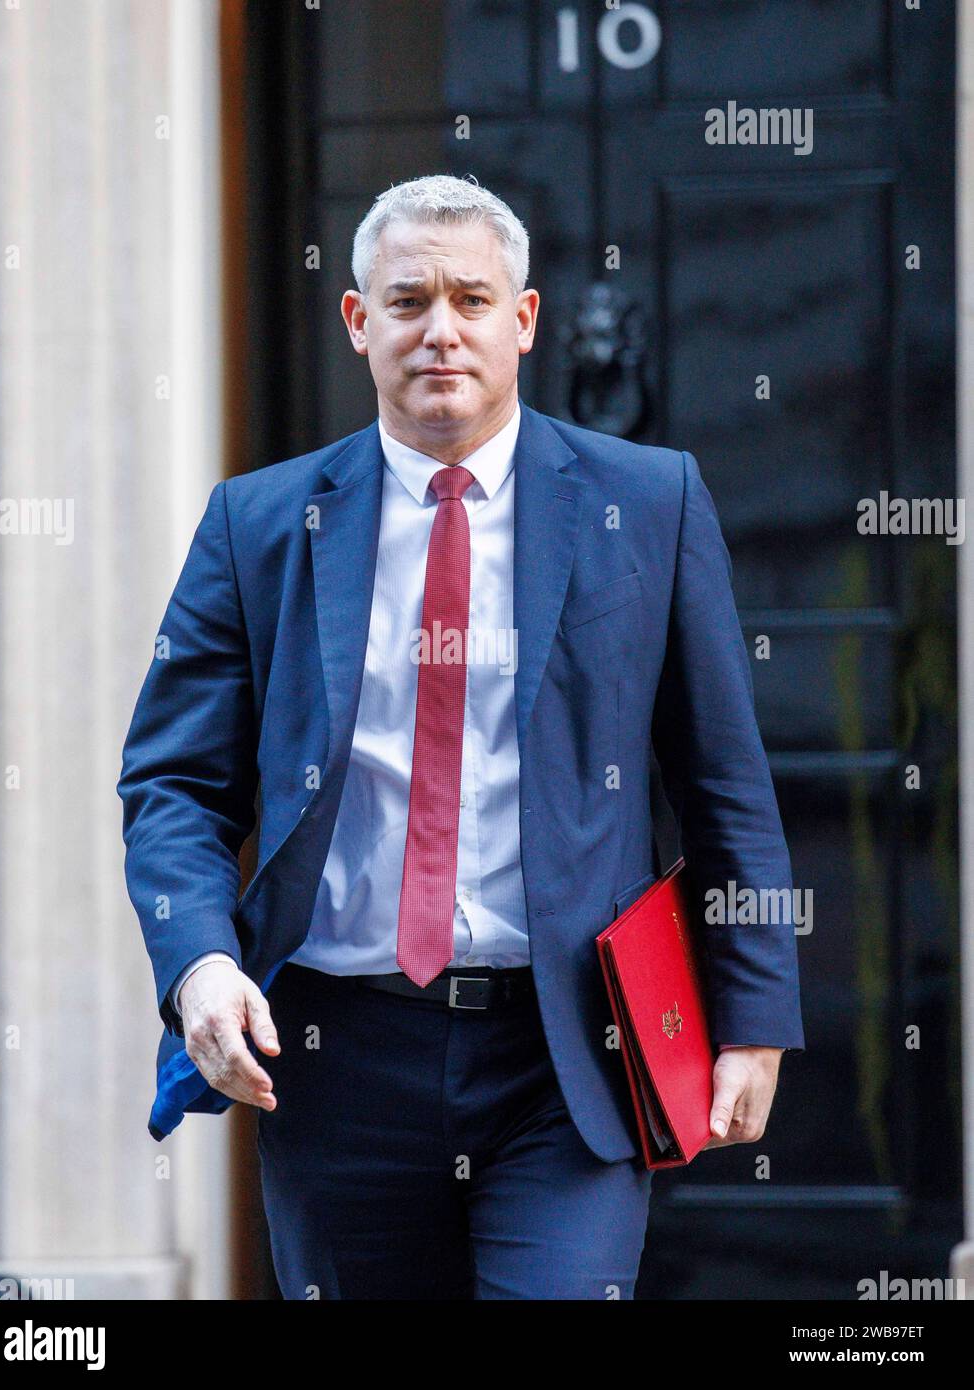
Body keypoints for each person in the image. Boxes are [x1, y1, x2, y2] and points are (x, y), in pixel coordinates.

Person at [117, 172, 805, 1300]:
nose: (441, 329)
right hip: (332, 1057)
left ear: (523, 322)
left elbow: (724, 781)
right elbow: (173, 783)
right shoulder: (257, 525)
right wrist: (198, 963)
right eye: (407, 301)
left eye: (473, 300)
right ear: (357, 323)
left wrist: (757, 1017)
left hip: (567, 1052)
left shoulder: (650, 500)